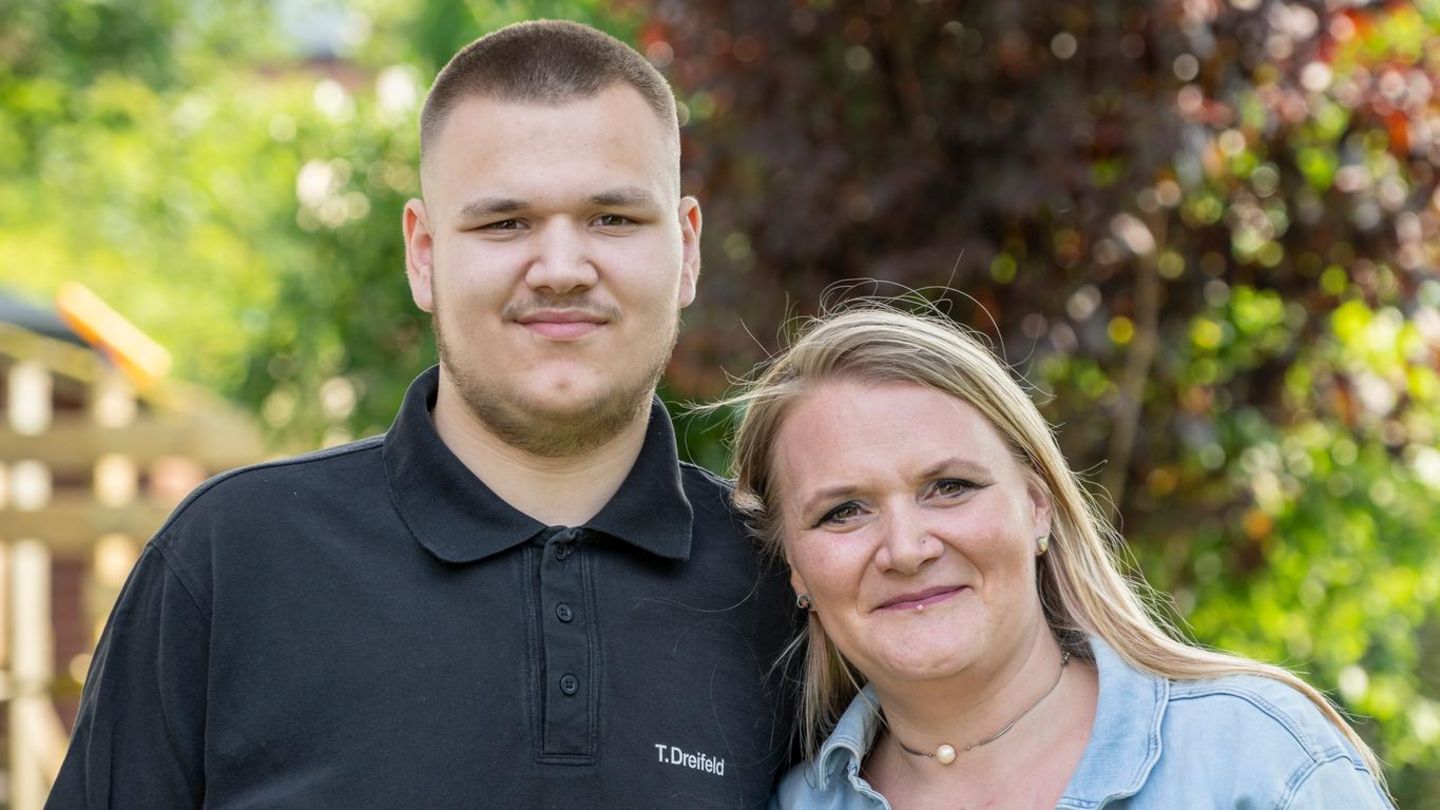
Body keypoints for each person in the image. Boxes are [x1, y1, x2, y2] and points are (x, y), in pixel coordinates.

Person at [48, 21, 795, 808]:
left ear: (686, 248)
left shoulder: (789, 585)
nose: (562, 270)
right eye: (505, 223)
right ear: (424, 253)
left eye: (612, 218)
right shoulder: (232, 562)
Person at [719, 305, 1393, 809]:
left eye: (949, 487)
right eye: (844, 511)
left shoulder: (1252, 761)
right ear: (796, 568)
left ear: (1038, 505)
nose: (906, 548)